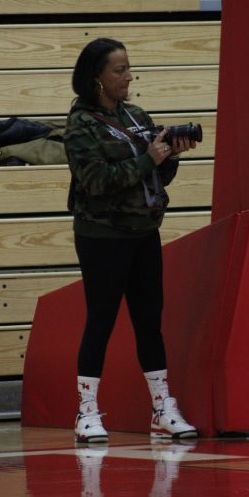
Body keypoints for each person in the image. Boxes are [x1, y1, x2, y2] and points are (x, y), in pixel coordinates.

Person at [64, 38, 198, 443]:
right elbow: (97, 182)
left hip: (144, 233)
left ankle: (162, 409)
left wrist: (169, 156)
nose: (127, 77)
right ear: (96, 78)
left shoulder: (137, 116)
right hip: (102, 236)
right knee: (101, 321)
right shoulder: (80, 125)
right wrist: (147, 159)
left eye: (128, 68)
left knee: (149, 322)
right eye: (118, 70)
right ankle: (86, 412)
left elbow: (154, 177)